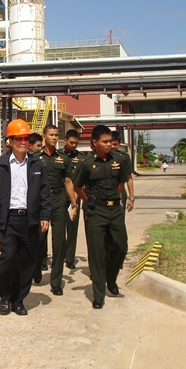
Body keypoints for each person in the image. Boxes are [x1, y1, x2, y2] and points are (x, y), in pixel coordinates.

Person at [0, 119, 51, 316]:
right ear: (10, 141)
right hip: (8, 219)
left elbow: (45, 192)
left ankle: (19, 300)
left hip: (30, 220)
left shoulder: (37, 164)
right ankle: (5, 296)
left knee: (27, 261)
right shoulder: (0, 165)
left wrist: (45, 215)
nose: (22, 142)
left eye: (25, 138)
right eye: (18, 139)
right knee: (9, 257)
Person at [74, 125, 131, 309]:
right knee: (97, 253)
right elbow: (77, 187)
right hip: (96, 211)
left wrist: (115, 198)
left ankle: (111, 278)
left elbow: (121, 183)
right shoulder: (86, 163)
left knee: (120, 247)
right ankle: (99, 294)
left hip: (115, 210)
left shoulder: (119, 160)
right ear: (95, 143)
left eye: (110, 141)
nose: (109, 145)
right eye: (105, 142)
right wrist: (88, 200)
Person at [35, 125, 78, 295]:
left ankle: (56, 282)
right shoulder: (34, 158)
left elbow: (68, 182)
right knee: (39, 239)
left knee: (59, 241)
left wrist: (73, 204)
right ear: (44, 136)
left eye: (56, 135)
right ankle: (37, 268)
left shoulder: (63, 158)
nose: (54, 138)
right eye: (51, 135)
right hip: (40, 202)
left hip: (59, 200)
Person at [61, 129, 83, 269]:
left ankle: (70, 258)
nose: (74, 145)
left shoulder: (81, 158)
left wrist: (75, 200)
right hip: (60, 196)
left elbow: (81, 181)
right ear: (65, 140)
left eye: (76, 143)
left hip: (74, 196)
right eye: (71, 142)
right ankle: (60, 254)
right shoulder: (59, 155)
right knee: (59, 228)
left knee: (72, 228)